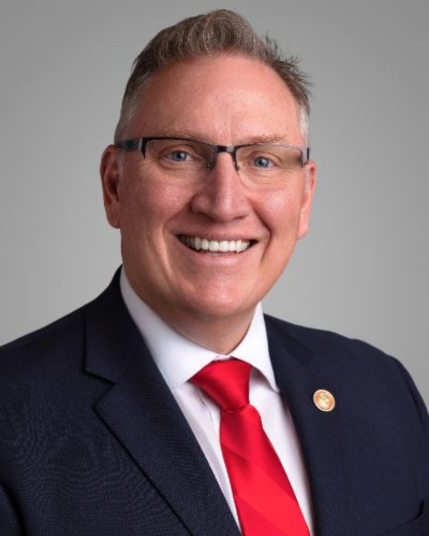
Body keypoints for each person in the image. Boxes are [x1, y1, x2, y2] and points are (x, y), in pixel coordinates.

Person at [0, 9, 428, 536]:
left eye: (263, 161)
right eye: (180, 155)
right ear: (115, 185)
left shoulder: (382, 389)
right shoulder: (11, 418)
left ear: (304, 199)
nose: (224, 204)